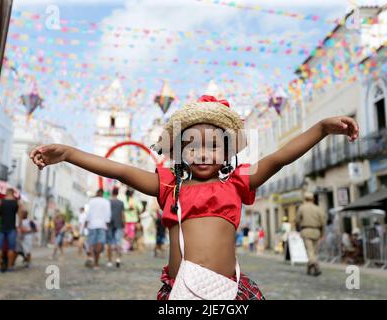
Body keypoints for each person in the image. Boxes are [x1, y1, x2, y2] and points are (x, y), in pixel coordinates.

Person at [30, 94, 359, 300]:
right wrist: (70, 153)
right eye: (193, 145)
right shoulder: (169, 186)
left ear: (228, 150)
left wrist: (322, 129)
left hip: (227, 292)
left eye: (213, 145)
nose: (203, 153)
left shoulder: (237, 182)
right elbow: (120, 170)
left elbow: (280, 157)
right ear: (179, 151)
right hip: (179, 291)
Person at [296, 192, 326, 277]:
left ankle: (316, 266)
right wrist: (322, 233)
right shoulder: (318, 208)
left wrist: (298, 229)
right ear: (313, 199)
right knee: (314, 252)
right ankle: (309, 269)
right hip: (317, 231)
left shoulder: (302, 208)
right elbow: (323, 222)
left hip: (306, 230)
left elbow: (297, 220)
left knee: (310, 251)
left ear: (305, 199)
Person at [0, 188, 23, 272]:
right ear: (13, 193)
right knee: (11, 248)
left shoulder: (0, 201)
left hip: (1, 228)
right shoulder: (17, 202)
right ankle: (10, 267)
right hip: (12, 228)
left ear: (6, 193)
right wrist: (20, 226)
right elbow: (20, 216)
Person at [85, 189, 111, 270]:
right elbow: (108, 214)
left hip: (92, 224)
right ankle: (96, 263)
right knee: (100, 243)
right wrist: (107, 224)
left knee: (92, 243)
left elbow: (88, 213)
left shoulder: (92, 201)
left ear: (97, 193)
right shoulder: (106, 202)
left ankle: (92, 258)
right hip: (102, 225)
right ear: (102, 194)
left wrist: (87, 223)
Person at [107, 188, 125, 268]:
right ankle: (118, 259)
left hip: (110, 224)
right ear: (117, 193)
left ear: (112, 193)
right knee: (118, 242)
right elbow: (123, 214)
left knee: (110, 243)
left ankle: (110, 261)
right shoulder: (121, 203)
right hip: (119, 224)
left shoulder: (108, 202)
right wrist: (123, 223)